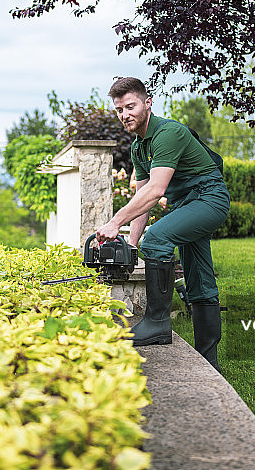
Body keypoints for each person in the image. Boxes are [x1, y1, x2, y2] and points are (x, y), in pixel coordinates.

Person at [95, 77, 230, 372]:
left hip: (209, 199)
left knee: (156, 239)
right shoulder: (139, 148)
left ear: (148, 103)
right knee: (200, 283)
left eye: (130, 106)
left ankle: (157, 323)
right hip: (187, 205)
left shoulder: (168, 134)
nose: (124, 114)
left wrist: (115, 222)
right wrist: (130, 244)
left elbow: (156, 190)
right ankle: (209, 363)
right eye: (119, 110)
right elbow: (144, 197)